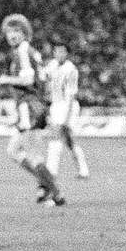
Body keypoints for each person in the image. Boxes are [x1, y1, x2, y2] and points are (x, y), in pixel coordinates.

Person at [0, 14, 65, 206]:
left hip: (29, 106)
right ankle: (46, 185)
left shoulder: (22, 51)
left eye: (17, 31)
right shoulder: (29, 51)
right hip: (32, 106)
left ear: (25, 33)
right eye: (9, 31)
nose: (12, 35)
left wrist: (6, 79)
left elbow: (28, 80)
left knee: (33, 153)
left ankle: (55, 192)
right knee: (13, 151)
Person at [42, 40, 91, 180]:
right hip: (56, 105)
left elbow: (71, 95)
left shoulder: (71, 70)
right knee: (69, 140)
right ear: (54, 53)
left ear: (67, 53)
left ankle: (51, 171)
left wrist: (66, 117)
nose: (59, 54)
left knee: (56, 136)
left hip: (67, 106)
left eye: (62, 51)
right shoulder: (51, 65)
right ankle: (83, 170)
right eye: (57, 51)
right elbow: (43, 77)